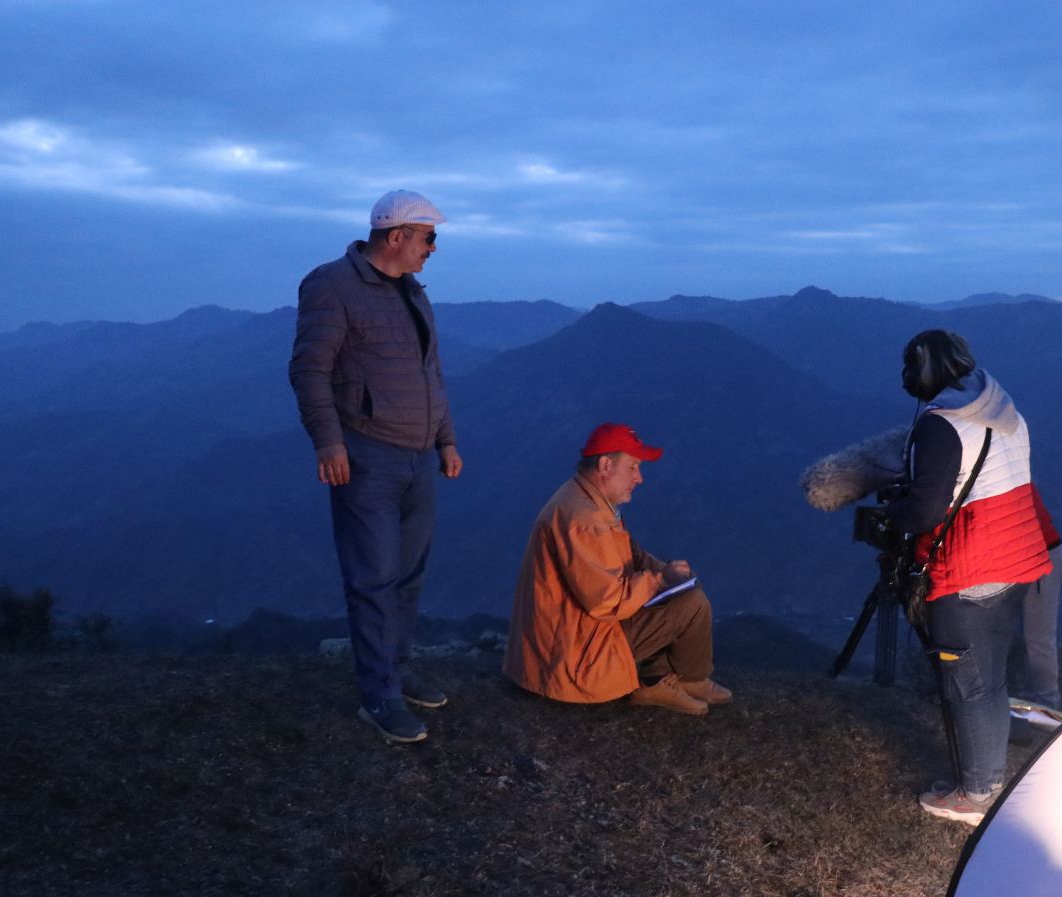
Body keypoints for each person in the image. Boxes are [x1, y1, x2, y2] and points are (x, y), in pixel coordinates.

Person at [289, 190, 462, 744]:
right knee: (372, 578)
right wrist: (328, 443)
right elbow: (309, 371)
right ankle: (379, 694)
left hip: (417, 457)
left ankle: (399, 666)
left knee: (408, 576)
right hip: (366, 457)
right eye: (429, 237)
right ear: (397, 236)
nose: (434, 248)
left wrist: (446, 440)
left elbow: (429, 373)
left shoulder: (413, 293)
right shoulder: (331, 285)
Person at [887, 330, 1052, 824]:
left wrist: (891, 511)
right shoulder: (1006, 413)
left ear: (924, 370)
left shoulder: (941, 426)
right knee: (992, 680)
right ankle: (990, 780)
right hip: (1015, 562)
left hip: (970, 568)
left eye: (909, 370)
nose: (906, 381)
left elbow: (924, 510)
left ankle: (977, 795)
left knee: (968, 685)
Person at [503, 424, 732, 717]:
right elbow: (607, 601)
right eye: (633, 467)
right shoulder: (584, 518)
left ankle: (677, 678)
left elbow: (630, 554)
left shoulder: (588, 501)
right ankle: (673, 680)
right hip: (574, 655)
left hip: (574, 637)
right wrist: (660, 580)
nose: (639, 478)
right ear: (606, 465)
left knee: (686, 592)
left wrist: (665, 572)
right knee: (691, 604)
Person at [1010, 487, 1062, 730]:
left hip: (1041, 558)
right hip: (1044, 555)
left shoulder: (1010, 482)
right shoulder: (1015, 476)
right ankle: (1033, 702)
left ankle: (1047, 708)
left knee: (1038, 637)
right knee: (1033, 637)